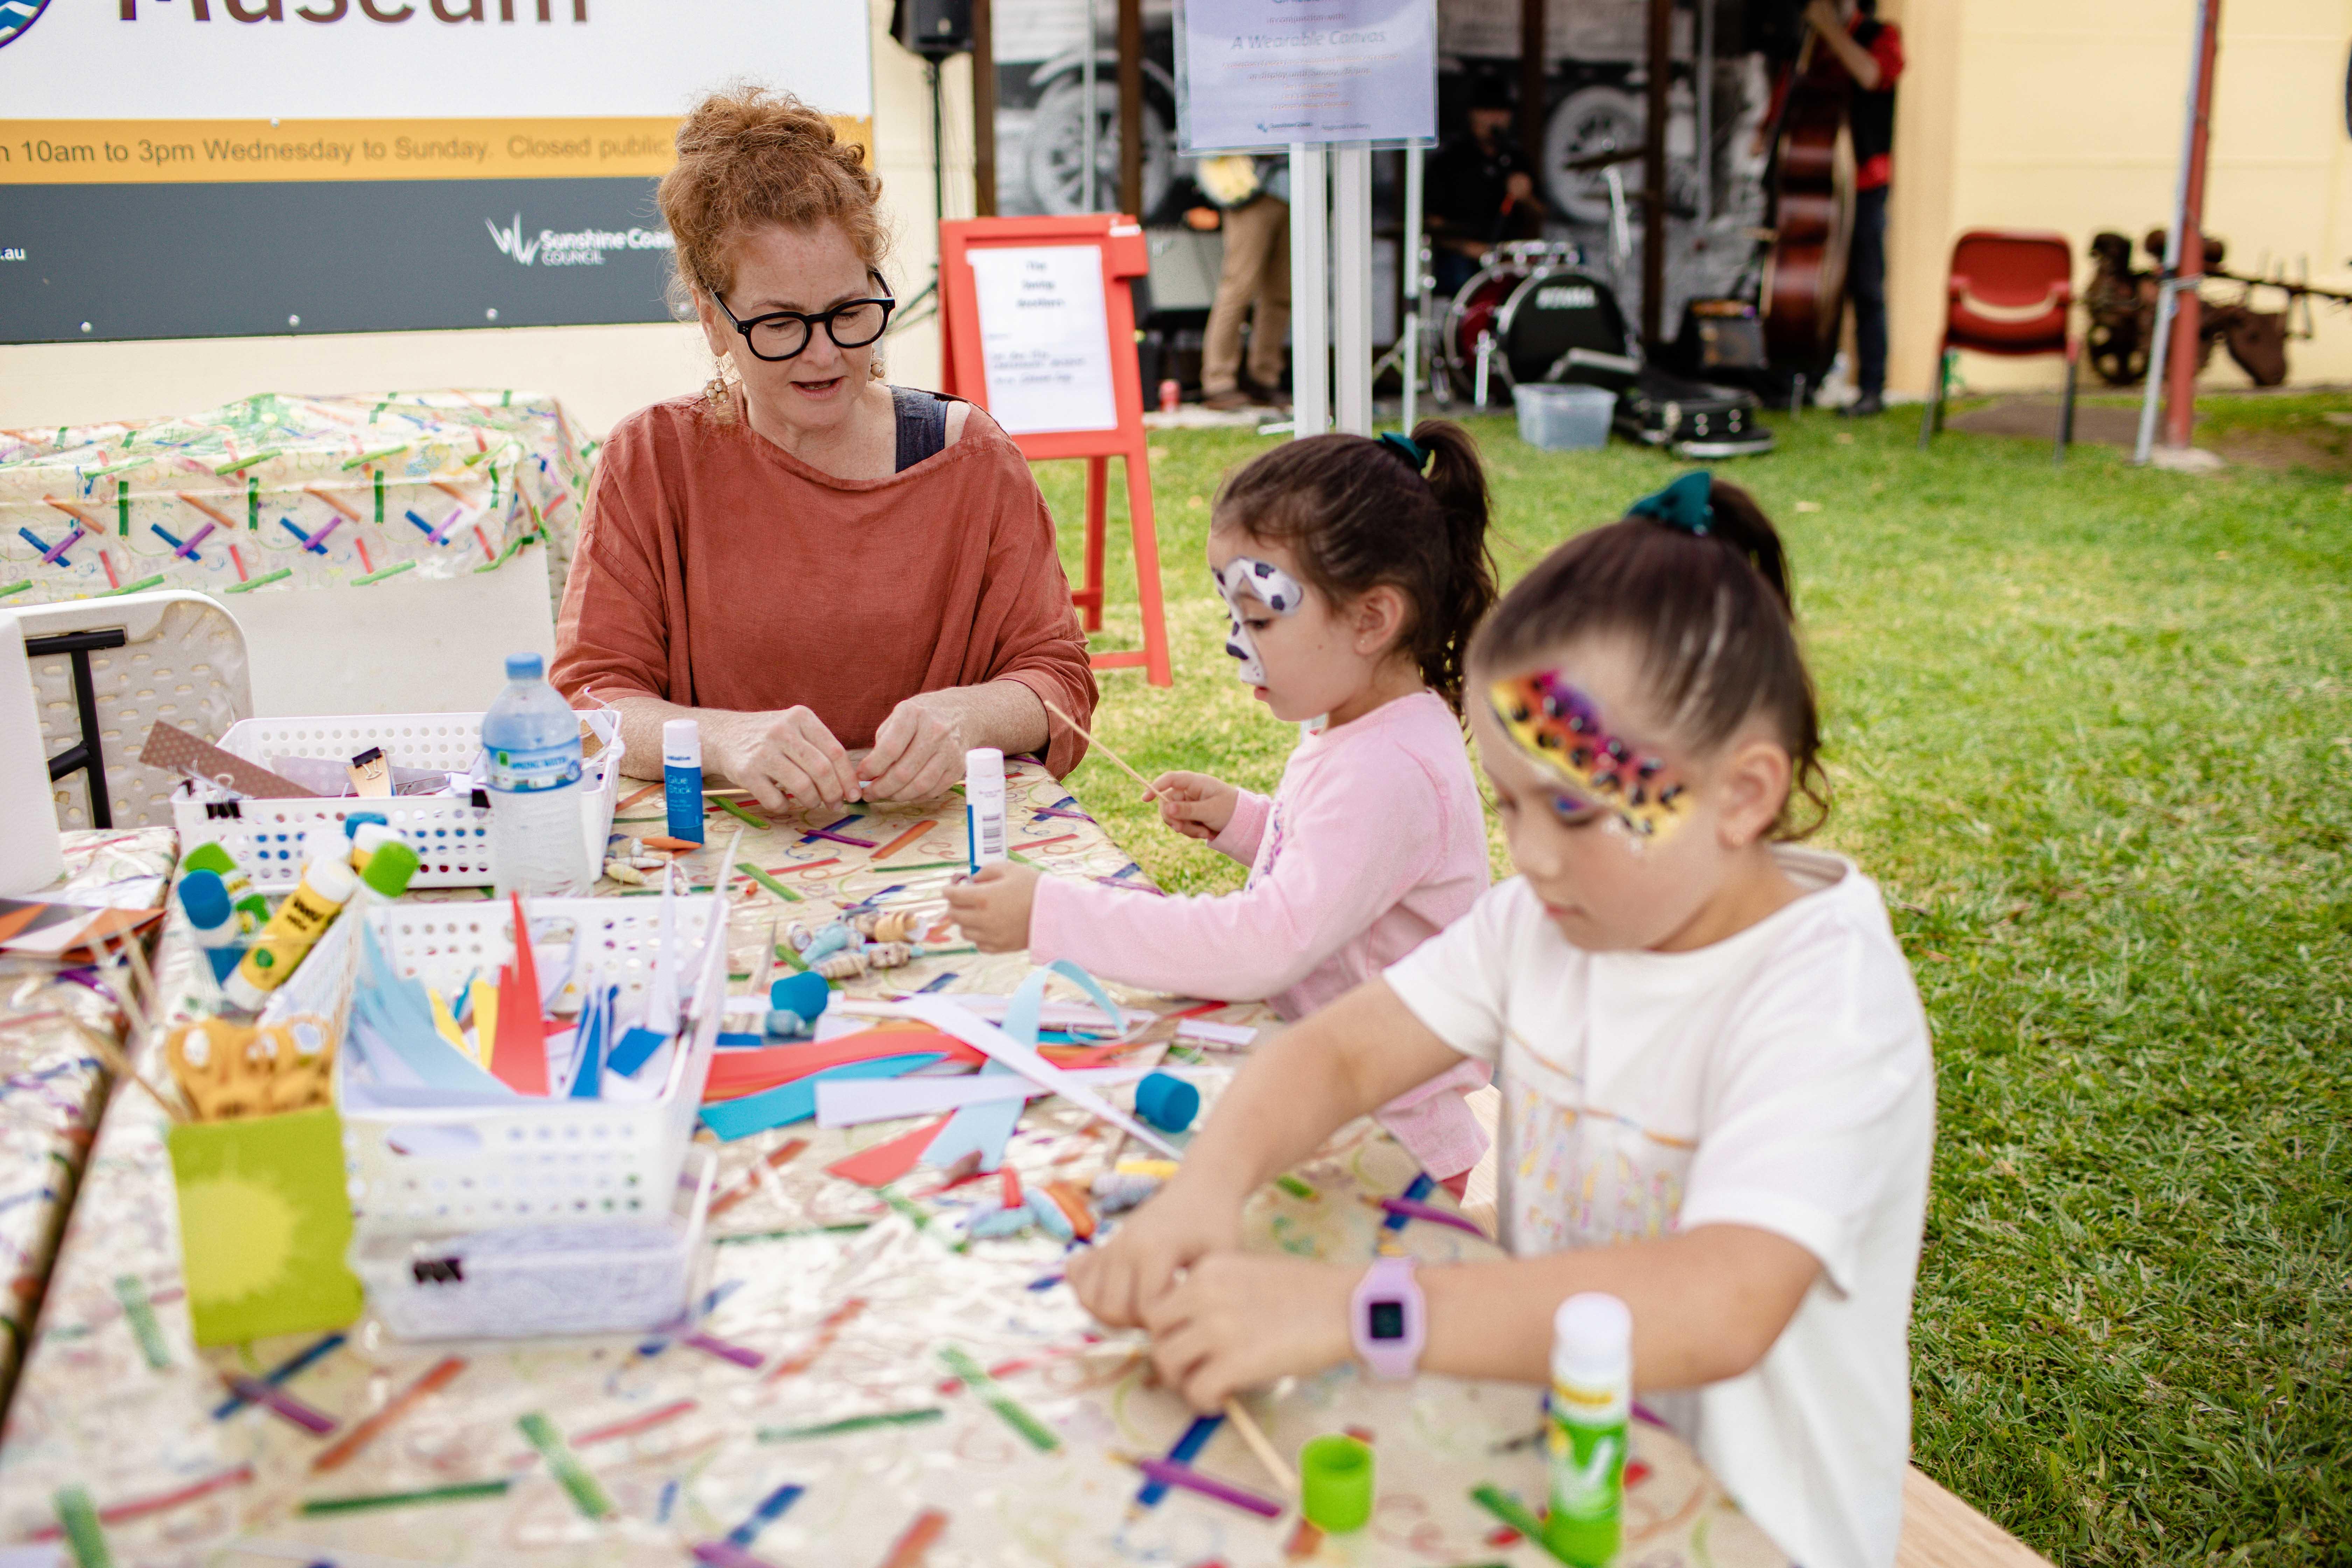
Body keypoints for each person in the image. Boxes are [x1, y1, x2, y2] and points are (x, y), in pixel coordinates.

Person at [1069, 472, 1935, 1568]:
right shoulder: (1550, 915)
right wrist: (1204, 1189)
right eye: (1508, 801)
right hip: (1557, 1467)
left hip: (1750, 1525)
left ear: (1743, 794)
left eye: (1571, 806)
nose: (1525, 855)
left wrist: (1357, 1310)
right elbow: (1338, 1051)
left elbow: (1720, 1301)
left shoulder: (1822, 1003)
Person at [946, 423, 1501, 1192]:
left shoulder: (1388, 766)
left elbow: (1266, 945)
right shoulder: (1366, 726)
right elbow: (1343, 873)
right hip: (1339, 1097)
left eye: (1263, 618)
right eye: (1231, 615)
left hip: (1385, 1141)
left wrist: (1053, 913)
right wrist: (1247, 821)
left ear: (1373, 619)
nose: (1238, 645)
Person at [551, 87, 1097, 808]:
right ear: (713, 317)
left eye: (848, 312)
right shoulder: (653, 460)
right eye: (780, 323)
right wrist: (722, 738)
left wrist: (966, 719)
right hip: (721, 858)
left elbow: (1059, 685)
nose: (824, 355)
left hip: (939, 852)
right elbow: (589, 704)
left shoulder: (966, 458)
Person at [1805, 0, 1905, 416]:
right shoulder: (1816, 40)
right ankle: (1807, 377)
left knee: (1866, 285)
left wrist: (1829, 29)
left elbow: (1871, 74)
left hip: (1866, 181)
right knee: (1812, 285)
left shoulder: (1884, 35)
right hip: (1818, 179)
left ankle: (1871, 387)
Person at [1426, 78, 1549, 300]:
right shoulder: (1448, 161)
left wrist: (1526, 197)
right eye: (1488, 111)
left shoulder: (1516, 159)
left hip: (1510, 259)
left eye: (1501, 112)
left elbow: (1540, 211)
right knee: (1460, 273)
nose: (1496, 119)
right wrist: (1470, 248)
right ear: (1473, 115)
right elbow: (1433, 225)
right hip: (1463, 258)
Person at [1196, 154, 1292, 412]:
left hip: (1296, 192)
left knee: (1283, 294)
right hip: (1251, 191)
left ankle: (1265, 377)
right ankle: (1218, 380)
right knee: (1238, 288)